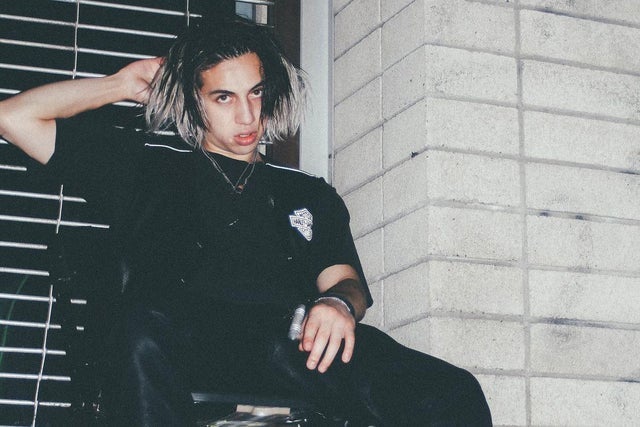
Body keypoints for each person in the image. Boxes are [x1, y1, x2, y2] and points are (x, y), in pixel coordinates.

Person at [0, 19, 492, 426]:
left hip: (291, 346)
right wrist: (120, 86)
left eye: (255, 93)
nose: (247, 115)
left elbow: (345, 281)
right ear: (194, 101)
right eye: (224, 97)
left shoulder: (307, 192)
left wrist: (337, 304)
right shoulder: (145, 169)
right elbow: (14, 118)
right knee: (138, 329)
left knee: (451, 391)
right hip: (181, 339)